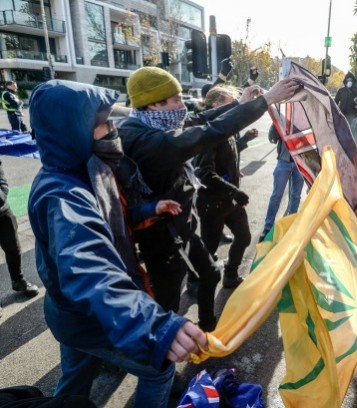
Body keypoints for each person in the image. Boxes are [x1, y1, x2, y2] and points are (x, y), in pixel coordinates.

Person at [27, 79, 208, 407]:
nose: (114, 130)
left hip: (74, 314)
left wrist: (150, 208)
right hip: (88, 315)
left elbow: (111, 222)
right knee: (159, 370)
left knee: (76, 378)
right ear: (74, 130)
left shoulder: (84, 169)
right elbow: (86, 264)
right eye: (104, 124)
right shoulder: (64, 193)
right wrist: (153, 324)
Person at [118, 67, 299, 330]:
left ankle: (206, 326)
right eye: (176, 100)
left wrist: (240, 103)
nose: (183, 105)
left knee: (211, 273)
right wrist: (265, 101)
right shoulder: (150, 141)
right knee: (166, 306)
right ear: (153, 105)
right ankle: (160, 364)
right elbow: (209, 131)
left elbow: (199, 119)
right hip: (161, 238)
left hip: (181, 227)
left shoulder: (155, 122)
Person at [193, 85, 257, 288]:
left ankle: (230, 273)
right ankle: (195, 280)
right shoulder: (209, 133)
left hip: (228, 200)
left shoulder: (226, 128)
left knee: (244, 236)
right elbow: (203, 172)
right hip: (212, 203)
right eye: (232, 102)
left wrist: (245, 140)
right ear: (216, 105)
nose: (236, 107)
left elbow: (228, 153)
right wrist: (234, 190)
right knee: (208, 248)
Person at [0, 157, 38, 319]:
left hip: (1, 209)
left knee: (13, 248)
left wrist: (2, 192)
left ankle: (18, 280)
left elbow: (1, 175)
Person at [258, 124, 304, 242]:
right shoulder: (283, 118)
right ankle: (268, 227)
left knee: (296, 196)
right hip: (284, 162)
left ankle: (291, 223)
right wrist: (276, 125)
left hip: (300, 162)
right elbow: (272, 138)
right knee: (276, 196)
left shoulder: (305, 117)